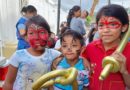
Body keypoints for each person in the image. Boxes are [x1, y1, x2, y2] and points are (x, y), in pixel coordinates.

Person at [3, 15, 61, 90]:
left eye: (42, 32)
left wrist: (59, 59)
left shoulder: (54, 54)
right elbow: (8, 83)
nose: (37, 37)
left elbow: (70, 58)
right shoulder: (18, 56)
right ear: (26, 37)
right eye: (31, 33)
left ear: (49, 35)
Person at [82, 4, 130, 90]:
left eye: (112, 24)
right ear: (97, 27)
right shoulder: (90, 47)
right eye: (101, 25)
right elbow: (81, 58)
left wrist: (124, 71)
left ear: (124, 27)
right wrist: (83, 58)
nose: (106, 30)